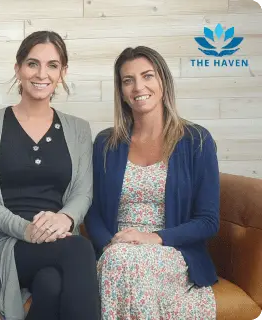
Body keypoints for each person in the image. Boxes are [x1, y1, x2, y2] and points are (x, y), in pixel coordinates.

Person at [0, 30, 101, 320]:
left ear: (63, 72)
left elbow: (83, 192)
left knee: (50, 285)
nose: (42, 73)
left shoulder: (78, 129)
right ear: (17, 68)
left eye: (52, 65)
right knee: (80, 250)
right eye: (32, 63)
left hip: (59, 239)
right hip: (5, 244)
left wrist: (64, 219)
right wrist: (25, 229)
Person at [84, 45, 219, 319]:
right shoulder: (105, 144)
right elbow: (92, 209)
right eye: (127, 80)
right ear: (120, 91)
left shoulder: (196, 141)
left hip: (172, 251)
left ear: (163, 82)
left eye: (147, 76)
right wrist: (111, 245)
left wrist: (151, 238)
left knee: (127, 266)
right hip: (116, 251)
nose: (138, 87)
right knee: (121, 262)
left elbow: (208, 220)